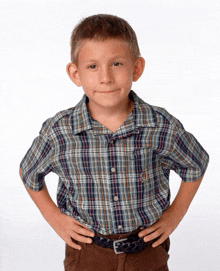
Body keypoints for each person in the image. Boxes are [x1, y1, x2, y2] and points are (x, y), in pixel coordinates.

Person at [19, 14, 209, 271]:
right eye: (93, 66)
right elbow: (29, 172)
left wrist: (175, 215)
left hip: (146, 249)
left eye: (117, 63)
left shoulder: (160, 125)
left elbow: (195, 165)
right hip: (87, 251)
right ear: (75, 73)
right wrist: (55, 218)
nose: (106, 77)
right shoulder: (59, 131)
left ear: (136, 68)